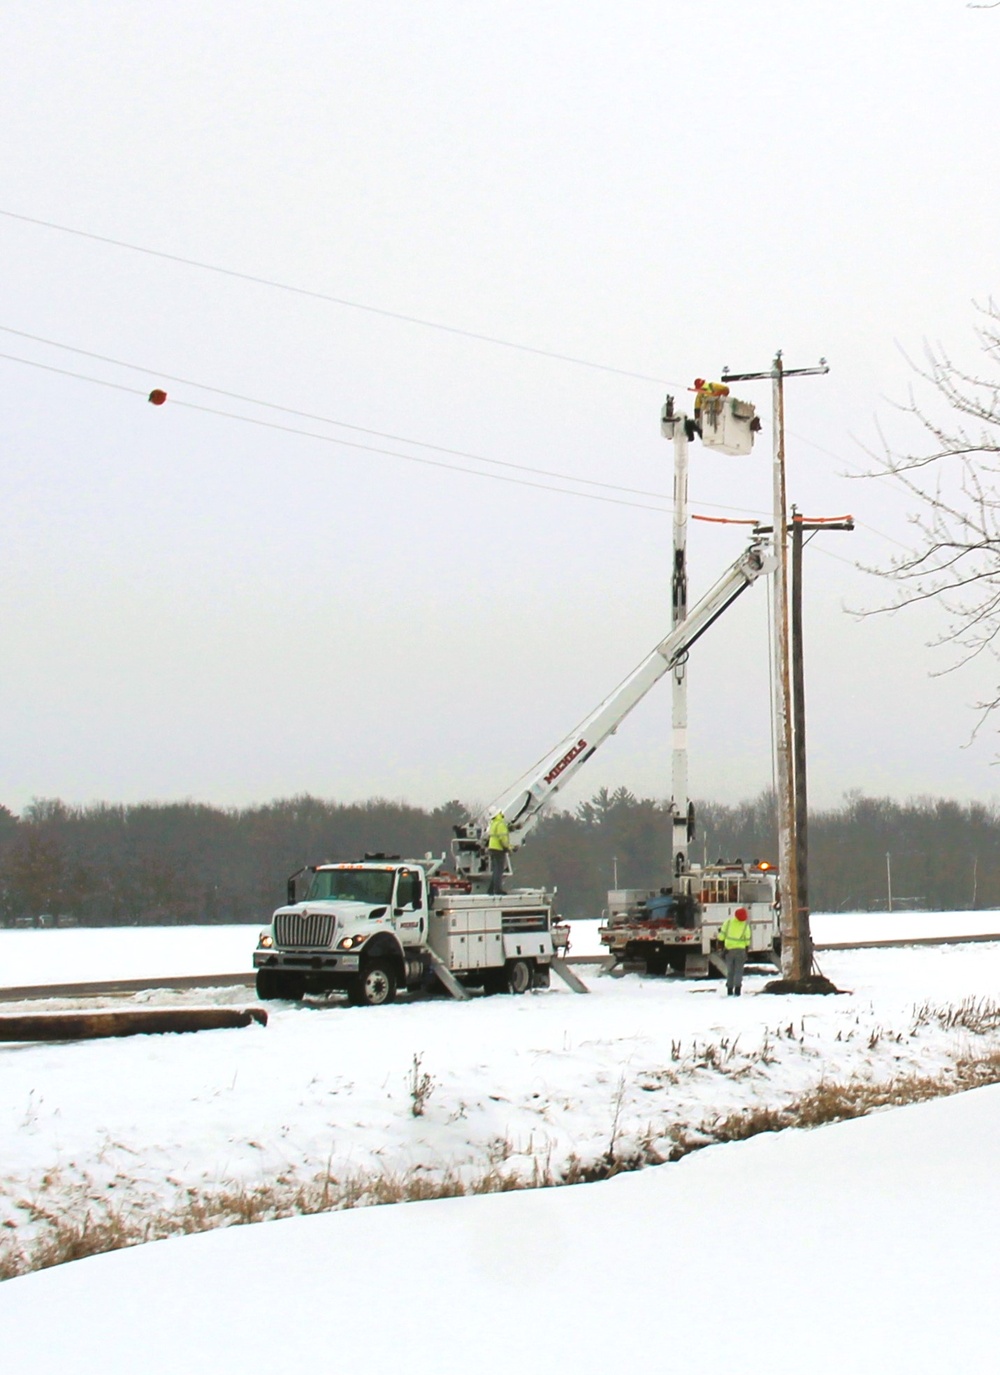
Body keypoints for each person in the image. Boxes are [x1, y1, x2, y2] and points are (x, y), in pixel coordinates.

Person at [719, 906, 752, 996]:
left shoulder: (728, 922)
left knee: (730, 971)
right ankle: (737, 990)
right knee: (739, 971)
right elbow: (747, 939)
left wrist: (722, 945)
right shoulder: (745, 925)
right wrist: (746, 950)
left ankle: (729, 990)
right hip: (741, 951)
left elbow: (721, 936)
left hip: (729, 950)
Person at [487, 810, 510, 895]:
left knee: (495, 870)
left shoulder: (493, 824)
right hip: (498, 849)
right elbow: (503, 838)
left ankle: (491, 889)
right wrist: (506, 847)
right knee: (499, 870)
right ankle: (497, 889)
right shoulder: (500, 824)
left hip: (492, 848)